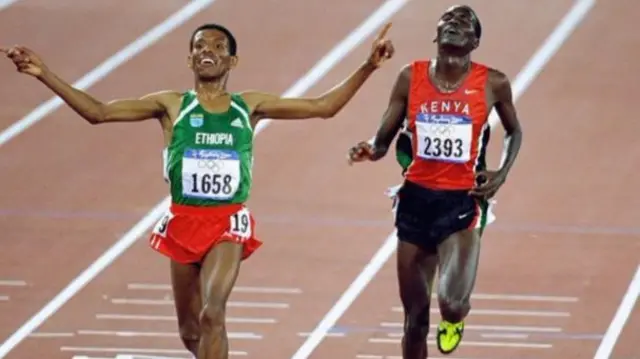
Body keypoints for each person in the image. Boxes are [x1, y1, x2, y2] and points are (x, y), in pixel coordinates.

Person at [2, 22, 394, 359]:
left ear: (232, 62)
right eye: (200, 47)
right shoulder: (171, 105)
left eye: (218, 47)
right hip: (182, 220)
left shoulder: (248, 106)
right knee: (191, 333)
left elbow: (323, 106)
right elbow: (97, 112)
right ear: (190, 60)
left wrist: (368, 66)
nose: (208, 51)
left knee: (213, 313)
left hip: (227, 222)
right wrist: (43, 73)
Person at [347, 5, 522, 358]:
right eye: (447, 21)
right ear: (436, 35)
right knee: (415, 321)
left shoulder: (493, 82)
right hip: (414, 203)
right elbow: (383, 141)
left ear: (474, 41)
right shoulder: (409, 77)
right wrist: (369, 148)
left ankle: (456, 319)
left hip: (461, 202)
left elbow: (514, 131)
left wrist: (502, 172)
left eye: (463, 23)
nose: (453, 25)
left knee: (452, 302)